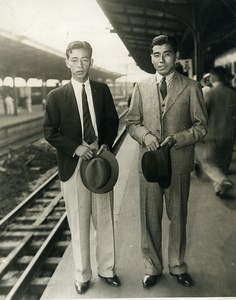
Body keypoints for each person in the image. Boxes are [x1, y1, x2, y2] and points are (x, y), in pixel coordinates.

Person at [126, 35, 207, 288]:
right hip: (150, 165)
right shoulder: (141, 87)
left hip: (179, 164)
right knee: (150, 218)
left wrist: (178, 138)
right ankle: (152, 268)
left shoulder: (191, 87)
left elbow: (201, 126)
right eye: (156, 54)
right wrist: (145, 135)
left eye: (167, 54)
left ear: (176, 56)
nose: (161, 60)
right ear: (151, 57)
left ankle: (178, 266)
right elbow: (132, 123)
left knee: (178, 218)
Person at [43, 41, 120, 294]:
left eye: (84, 59)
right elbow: (49, 131)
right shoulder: (56, 96)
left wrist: (106, 145)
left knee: (104, 220)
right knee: (78, 223)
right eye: (74, 60)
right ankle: (82, 275)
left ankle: (107, 270)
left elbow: (112, 120)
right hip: (73, 165)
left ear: (91, 62)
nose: (80, 65)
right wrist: (76, 147)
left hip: (99, 162)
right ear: (67, 62)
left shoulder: (102, 90)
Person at [195, 66, 236, 197]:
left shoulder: (210, 93)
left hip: (213, 135)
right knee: (223, 164)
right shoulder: (233, 93)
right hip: (229, 136)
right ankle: (220, 189)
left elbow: (203, 114)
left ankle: (222, 180)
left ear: (212, 78)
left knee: (208, 162)